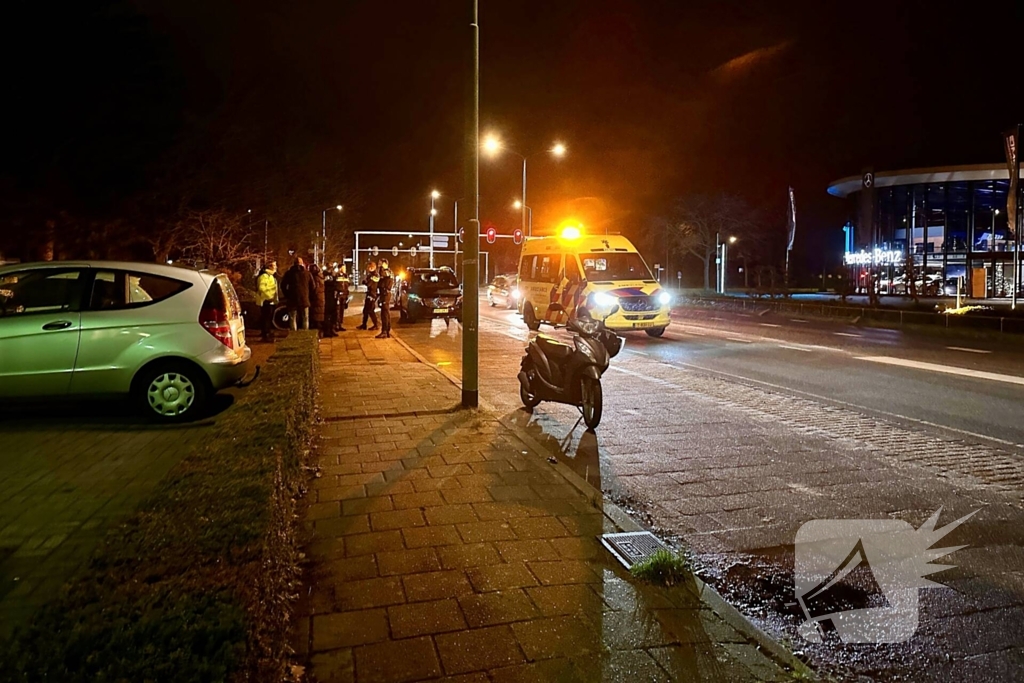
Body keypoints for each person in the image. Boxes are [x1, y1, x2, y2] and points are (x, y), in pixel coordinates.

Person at [282, 258, 312, 330]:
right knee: (305, 317)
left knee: (292, 318)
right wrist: (307, 294)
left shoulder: (289, 273)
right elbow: (313, 286)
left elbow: (283, 285)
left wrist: (287, 294)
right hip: (304, 298)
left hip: (292, 299)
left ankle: (293, 335)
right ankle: (305, 334)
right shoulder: (307, 273)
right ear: (302, 263)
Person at [255, 261, 278, 342]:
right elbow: (262, 289)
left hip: (270, 301)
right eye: (274, 265)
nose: (276, 267)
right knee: (266, 319)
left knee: (268, 318)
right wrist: (269, 296)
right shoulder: (264, 276)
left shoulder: (270, 276)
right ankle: (266, 335)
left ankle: (267, 333)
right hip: (266, 301)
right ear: (270, 267)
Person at [357, 262, 379, 330]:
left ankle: (376, 325)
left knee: (370, 310)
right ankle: (364, 325)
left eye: (369, 267)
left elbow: (369, 284)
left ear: (372, 267)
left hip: (372, 294)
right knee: (365, 310)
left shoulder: (375, 275)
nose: (368, 268)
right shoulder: (371, 275)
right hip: (369, 293)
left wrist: (365, 282)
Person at [376, 259, 394, 339]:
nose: (379, 265)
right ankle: (387, 331)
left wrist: (381, 269)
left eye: (380, 263)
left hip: (385, 293)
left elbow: (383, 280)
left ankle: (385, 331)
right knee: (386, 312)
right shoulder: (389, 272)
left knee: (384, 313)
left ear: (384, 263)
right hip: (384, 293)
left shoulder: (386, 272)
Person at [308, 263, 326, 333]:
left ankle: (317, 332)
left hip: (316, 298)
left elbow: (315, 289)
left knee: (315, 315)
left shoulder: (314, 278)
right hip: (321, 298)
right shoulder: (321, 277)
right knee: (320, 314)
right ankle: (320, 331)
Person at [323, 272, 339, 338]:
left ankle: (331, 329)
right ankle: (328, 331)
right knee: (327, 316)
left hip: (332, 299)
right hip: (328, 299)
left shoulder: (333, 278)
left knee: (333, 315)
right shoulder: (326, 278)